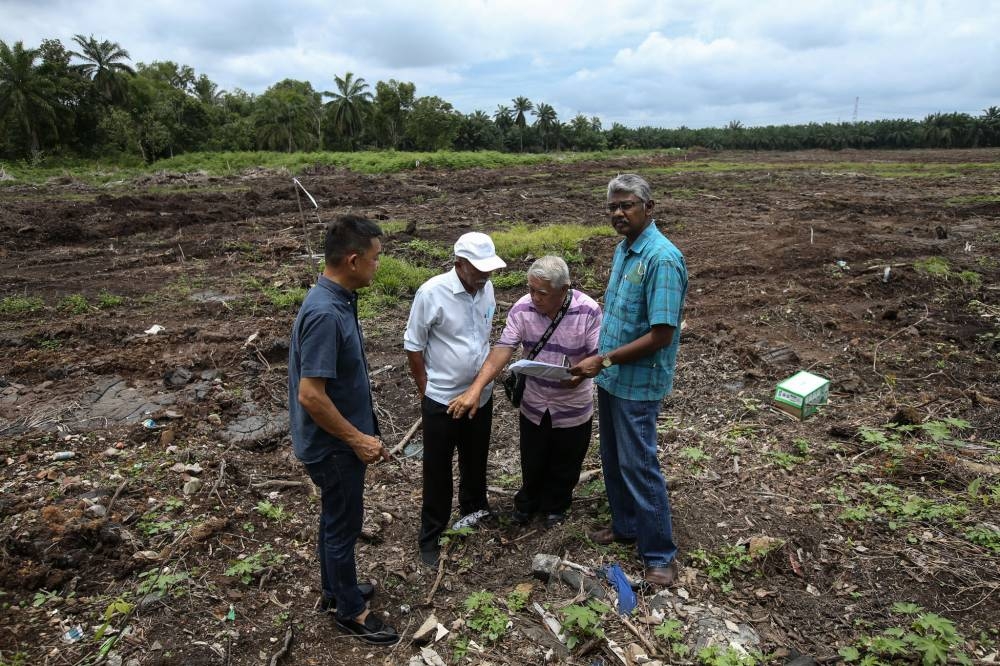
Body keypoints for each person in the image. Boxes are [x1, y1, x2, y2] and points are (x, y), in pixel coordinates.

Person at [569, 174, 688, 587]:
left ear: (648, 208)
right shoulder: (626, 250)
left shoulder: (662, 259)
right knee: (614, 456)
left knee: (639, 463)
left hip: (636, 381)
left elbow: (661, 335)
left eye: (627, 205)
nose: (618, 213)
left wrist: (602, 360)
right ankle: (626, 527)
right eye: (613, 207)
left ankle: (660, 556)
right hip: (613, 376)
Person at [288, 215, 399, 646]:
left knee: (335, 521)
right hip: (333, 448)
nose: (377, 266)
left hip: (336, 443)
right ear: (352, 260)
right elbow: (311, 395)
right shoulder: (324, 313)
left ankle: (337, 590)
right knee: (343, 525)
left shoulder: (337, 300)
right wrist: (357, 438)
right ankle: (350, 611)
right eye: (374, 259)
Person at [447, 256, 602, 528]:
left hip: (573, 403)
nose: (534, 297)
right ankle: (527, 503)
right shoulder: (522, 308)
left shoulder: (588, 311)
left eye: (542, 293)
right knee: (533, 457)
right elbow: (504, 348)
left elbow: (597, 355)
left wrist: (579, 376)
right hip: (535, 402)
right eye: (531, 289)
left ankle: (556, 506)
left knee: (567, 459)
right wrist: (477, 386)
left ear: (564, 289)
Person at [403, 232, 506, 568]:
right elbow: (414, 346)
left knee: (475, 458)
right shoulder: (432, 292)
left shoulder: (486, 287)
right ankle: (431, 534)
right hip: (442, 399)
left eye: (489, 270)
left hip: (481, 394)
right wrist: (426, 389)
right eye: (478, 270)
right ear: (459, 264)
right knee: (437, 468)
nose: (485, 276)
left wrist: (479, 386)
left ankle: (475, 509)